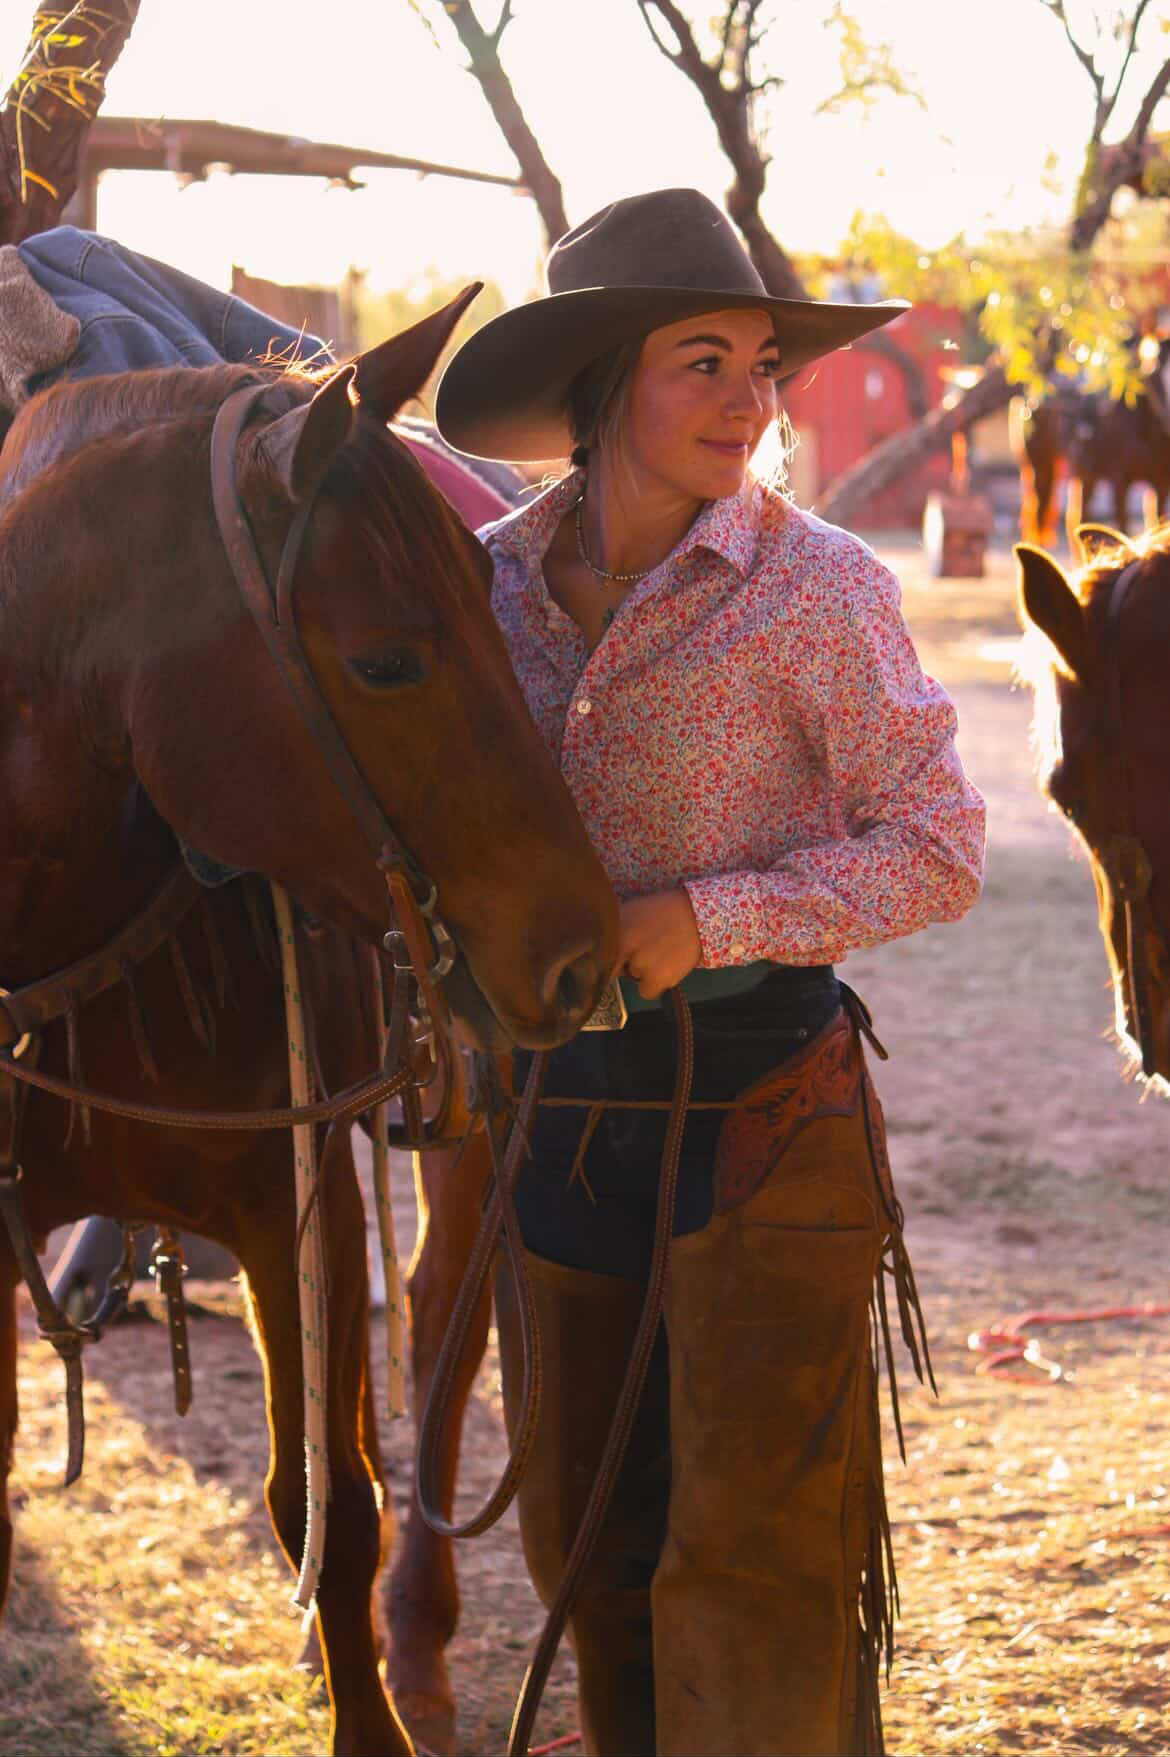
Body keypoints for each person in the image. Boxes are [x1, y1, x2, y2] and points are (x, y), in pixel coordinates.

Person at [435, 187, 985, 1757]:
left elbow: (940, 845)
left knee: (747, 1563)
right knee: (585, 1557)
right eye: (704, 361)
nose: (752, 400)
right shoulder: (474, 589)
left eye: (760, 362)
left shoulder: (817, 588)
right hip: (553, 1119)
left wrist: (704, 913)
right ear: (607, 380)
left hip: (760, 1115)